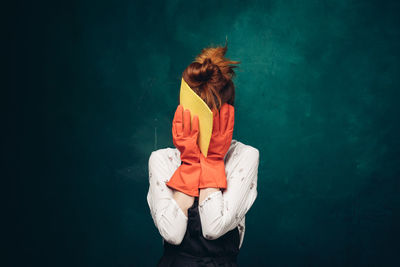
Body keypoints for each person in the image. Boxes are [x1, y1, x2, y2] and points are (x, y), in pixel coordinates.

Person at [147, 43, 259, 266]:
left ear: (226, 117)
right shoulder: (161, 160)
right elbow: (172, 233)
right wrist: (189, 163)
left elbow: (214, 227)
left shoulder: (244, 157)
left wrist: (212, 161)